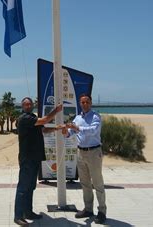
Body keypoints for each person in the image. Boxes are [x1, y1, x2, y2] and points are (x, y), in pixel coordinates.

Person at [14, 97, 65, 226]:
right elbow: (45, 120)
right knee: (23, 188)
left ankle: (28, 212)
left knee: (31, 187)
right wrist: (56, 110)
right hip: (27, 159)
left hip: (35, 158)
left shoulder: (33, 117)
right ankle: (18, 216)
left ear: (32, 105)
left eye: (29, 104)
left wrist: (57, 128)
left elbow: (43, 129)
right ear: (22, 106)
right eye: (25, 104)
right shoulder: (24, 118)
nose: (28, 105)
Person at [65, 93, 107, 224]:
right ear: (80, 103)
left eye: (87, 102)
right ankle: (88, 209)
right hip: (80, 152)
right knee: (85, 183)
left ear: (91, 103)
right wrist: (65, 130)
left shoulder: (95, 116)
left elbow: (93, 130)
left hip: (94, 152)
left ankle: (102, 211)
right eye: (82, 102)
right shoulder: (77, 117)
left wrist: (77, 128)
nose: (84, 104)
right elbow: (70, 134)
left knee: (97, 183)